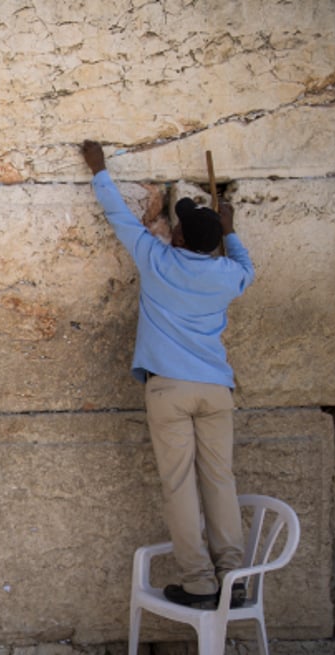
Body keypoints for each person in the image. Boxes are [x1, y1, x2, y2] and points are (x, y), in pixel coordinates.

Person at [81, 139, 255, 610]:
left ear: (177, 238)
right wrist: (230, 230)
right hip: (215, 388)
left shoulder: (156, 261)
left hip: (169, 389)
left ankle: (199, 582)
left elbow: (118, 214)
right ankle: (234, 577)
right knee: (220, 480)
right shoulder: (225, 275)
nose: (171, 227)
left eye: (175, 224)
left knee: (180, 484)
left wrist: (99, 169)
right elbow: (246, 268)